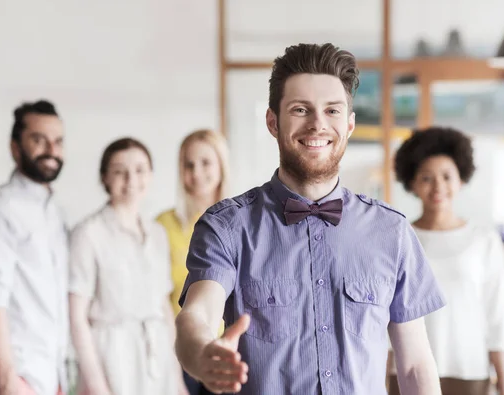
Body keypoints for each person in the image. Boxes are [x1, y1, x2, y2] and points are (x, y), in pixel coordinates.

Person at [174, 43, 446, 395]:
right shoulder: (226, 227)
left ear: (349, 124)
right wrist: (202, 355)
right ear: (273, 121)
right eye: (301, 109)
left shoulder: (391, 231)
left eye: (332, 110)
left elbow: (414, 364)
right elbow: (196, 316)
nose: (318, 124)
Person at [389, 126, 504, 395]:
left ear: (461, 179)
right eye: (426, 177)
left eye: (447, 176)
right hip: (407, 371)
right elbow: (387, 316)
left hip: (468, 369)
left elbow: (498, 316)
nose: (438, 187)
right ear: (411, 182)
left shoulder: (484, 240)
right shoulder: (399, 238)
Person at [68, 138, 187, 395]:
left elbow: (163, 308)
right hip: (111, 358)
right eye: (120, 171)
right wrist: (98, 387)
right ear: (105, 178)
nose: (131, 180)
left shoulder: (157, 233)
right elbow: (77, 318)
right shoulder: (88, 233)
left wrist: (177, 381)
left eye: (140, 170)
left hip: (157, 358)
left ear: (151, 175)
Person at [0, 100, 68, 395]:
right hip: (12, 375)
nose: (51, 149)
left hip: (49, 372)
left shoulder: (55, 211)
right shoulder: (0, 208)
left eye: (58, 141)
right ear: (15, 148)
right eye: (39, 139)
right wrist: (8, 380)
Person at [155, 129, 229, 395]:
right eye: (189, 164)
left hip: (230, 352)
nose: (196, 173)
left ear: (221, 165)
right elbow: (160, 300)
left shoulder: (241, 223)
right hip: (180, 355)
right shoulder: (162, 227)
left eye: (206, 162)